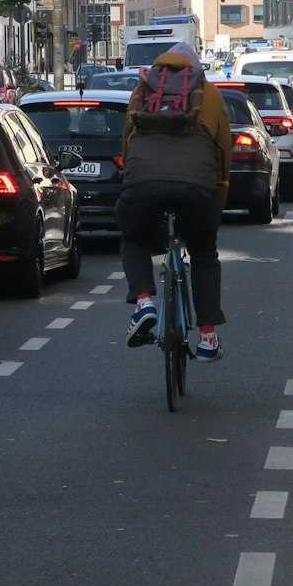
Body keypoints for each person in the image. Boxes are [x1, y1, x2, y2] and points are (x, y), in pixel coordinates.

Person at [117, 42, 233, 361]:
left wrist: (132, 182)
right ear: (195, 68)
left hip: (143, 181)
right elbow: (223, 152)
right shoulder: (209, 94)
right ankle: (208, 337)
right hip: (197, 185)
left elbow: (128, 139)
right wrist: (216, 205)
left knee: (133, 238)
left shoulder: (142, 88)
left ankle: (144, 303)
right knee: (204, 254)